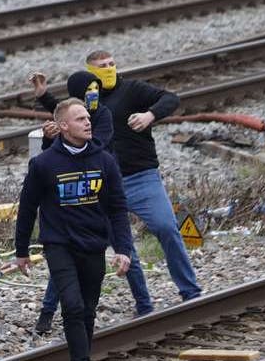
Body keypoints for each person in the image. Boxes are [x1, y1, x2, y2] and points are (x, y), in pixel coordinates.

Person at [31, 49, 200, 315]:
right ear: (90, 71)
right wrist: (43, 97)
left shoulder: (132, 90)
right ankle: (144, 305)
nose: (109, 69)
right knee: (124, 247)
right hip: (104, 186)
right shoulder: (87, 99)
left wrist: (150, 115)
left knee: (167, 228)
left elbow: (171, 98)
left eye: (112, 64)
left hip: (141, 177)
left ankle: (191, 292)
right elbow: (65, 113)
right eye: (102, 66)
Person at [10, 98, 135, 361]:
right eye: (80, 119)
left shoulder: (104, 161)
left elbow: (118, 209)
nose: (87, 122)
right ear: (63, 126)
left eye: (87, 118)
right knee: (72, 305)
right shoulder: (43, 164)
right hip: (59, 244)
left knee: (88, 311)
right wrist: (21, 250)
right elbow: (27, 208)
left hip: (93, 244)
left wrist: (123, 249)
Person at [28, 70, 112, 335]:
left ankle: (143, 302)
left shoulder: (102, 118)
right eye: (88, 90)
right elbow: (61, 119)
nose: (93, 94)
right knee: (63, 265)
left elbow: (94, 143)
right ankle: (49, 313)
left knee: (111, 257)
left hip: (94, 201)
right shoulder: (71, 121)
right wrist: (50, 138)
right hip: (66, 214)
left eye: (95, 88)